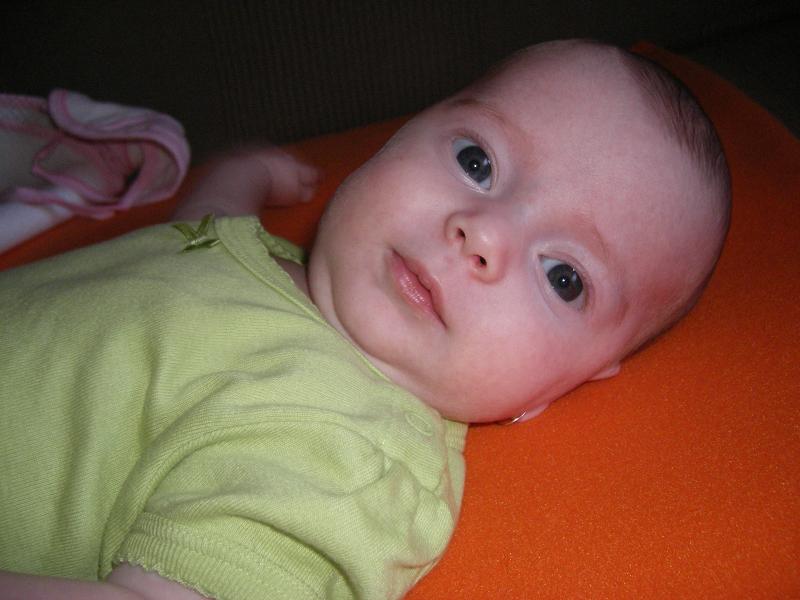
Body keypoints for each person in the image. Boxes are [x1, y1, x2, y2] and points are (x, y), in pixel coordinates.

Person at [0, 39, 730, 599]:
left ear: (561, 384)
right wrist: (242, 176)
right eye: (476, 161)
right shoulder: (267, 257)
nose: (482, 232)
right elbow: (191, 246)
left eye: (563, 277)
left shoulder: (342, 458)